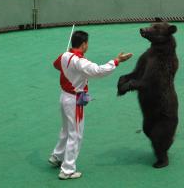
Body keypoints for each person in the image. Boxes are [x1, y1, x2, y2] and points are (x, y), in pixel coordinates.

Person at [48, 30, 132, 180]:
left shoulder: (65, 56)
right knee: (76, 134)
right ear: (84, 44)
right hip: (74, 101)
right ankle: (67, 170)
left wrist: (66, 59)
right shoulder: (80, 62)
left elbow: (56, 65)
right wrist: (116, 61)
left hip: (64, 97)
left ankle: (56, 156)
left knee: (66, 129)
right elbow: (99, 71)